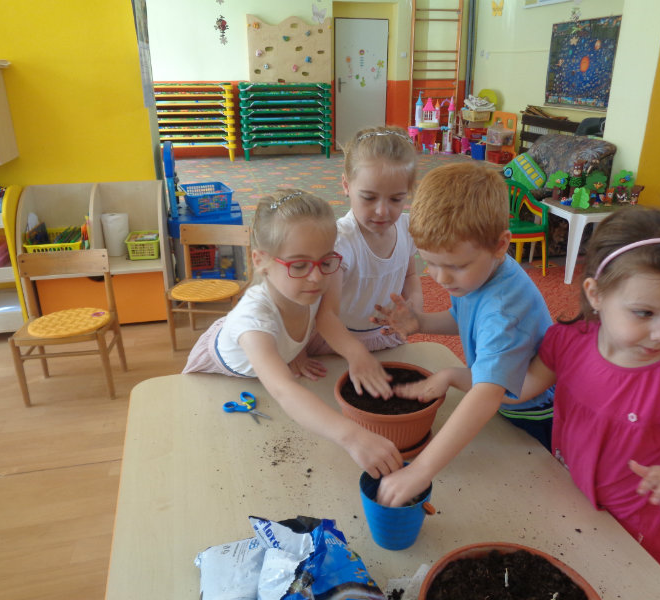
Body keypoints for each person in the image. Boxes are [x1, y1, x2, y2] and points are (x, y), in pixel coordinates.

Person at [519, 207, 660, 579]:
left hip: (643, 533)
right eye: (644, 313)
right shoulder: (566, 342)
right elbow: (522, 388)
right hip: (575, 501)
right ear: (596, 294)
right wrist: (463, 380)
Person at [371, 161, 555, 507]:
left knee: (532, 495)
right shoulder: (482, 271)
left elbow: (487, 394)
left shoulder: (504, 311)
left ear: (501, 244)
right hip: (505, 396)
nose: (440, 278)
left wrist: (420, 469)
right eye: (430, 263)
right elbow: (465, 320)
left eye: (455, 266)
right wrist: (421, 323)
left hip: (537, 417)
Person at [182, 189, 402, 477]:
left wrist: (301, 350)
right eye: (299, 265)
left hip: (273, 359)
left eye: (326, 262)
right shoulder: (253, 321)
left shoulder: (308, 286)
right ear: (260, 260)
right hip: (222, 376)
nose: (317, 277)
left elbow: (324, 319)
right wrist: (353, 437)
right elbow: (283, 390)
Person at [307, 126, 423, 363]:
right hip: (337, 340)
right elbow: (326, 316)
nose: (382, 211)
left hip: (385, 336)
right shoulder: (340, 242)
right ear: (346, 185)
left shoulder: (406, 228)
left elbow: (410, 275)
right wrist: (357, 355)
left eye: (396, 199)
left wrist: (415, 305)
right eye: (369, 197)